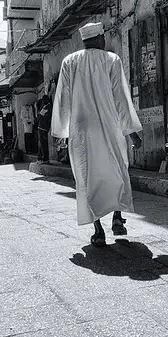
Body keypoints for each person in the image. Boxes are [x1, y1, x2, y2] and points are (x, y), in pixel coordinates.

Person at [51, 21, 143, 247]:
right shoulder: (111, 60)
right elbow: (121, 97)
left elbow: (63, 99)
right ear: (100, 38)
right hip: (110, 125)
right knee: (117, 169)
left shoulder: (69, 61)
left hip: (81, 129)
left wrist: (61, 133)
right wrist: (131, 131)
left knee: (87, 177)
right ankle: (118, 219)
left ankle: (98, 230)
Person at [36, 95, 52, 163]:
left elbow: (41, 116)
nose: (43, 102)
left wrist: (39, 116)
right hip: (41, 126)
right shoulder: (46, 106)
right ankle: (41, 157)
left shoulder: (48, 107)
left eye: (43, 101)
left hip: (43, 127)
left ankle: (45, 158)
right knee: (41, 143)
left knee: (43, 143)